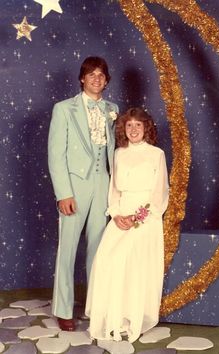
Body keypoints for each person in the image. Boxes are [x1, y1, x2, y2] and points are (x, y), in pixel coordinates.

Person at [85, 107, 169, 343]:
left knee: (127, 261)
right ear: (123, 129)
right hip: (121, 215)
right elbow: (114, 190)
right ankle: (113, 316)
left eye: (138, 125)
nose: (133, 130)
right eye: (129, 125)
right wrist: (115, 214)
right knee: (105, 260)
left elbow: (160, 193)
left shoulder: (156, 154)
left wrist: (138, 217)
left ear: (146, 128)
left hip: (145, 219)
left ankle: (132, 316)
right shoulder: (118, 153)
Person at [48, 56, 118, 331]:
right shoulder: (64, 109)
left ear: (106, 80)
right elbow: (56, 156)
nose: (96, 79)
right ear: (82, 78)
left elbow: (115, 150)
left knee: (99, 250)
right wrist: (63, 193)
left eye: (101, 75)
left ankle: (94, 307)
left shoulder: (113, 109)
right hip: (74, 187)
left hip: (104, 184)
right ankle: (64, 309)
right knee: (67, 250)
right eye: (91, 74)